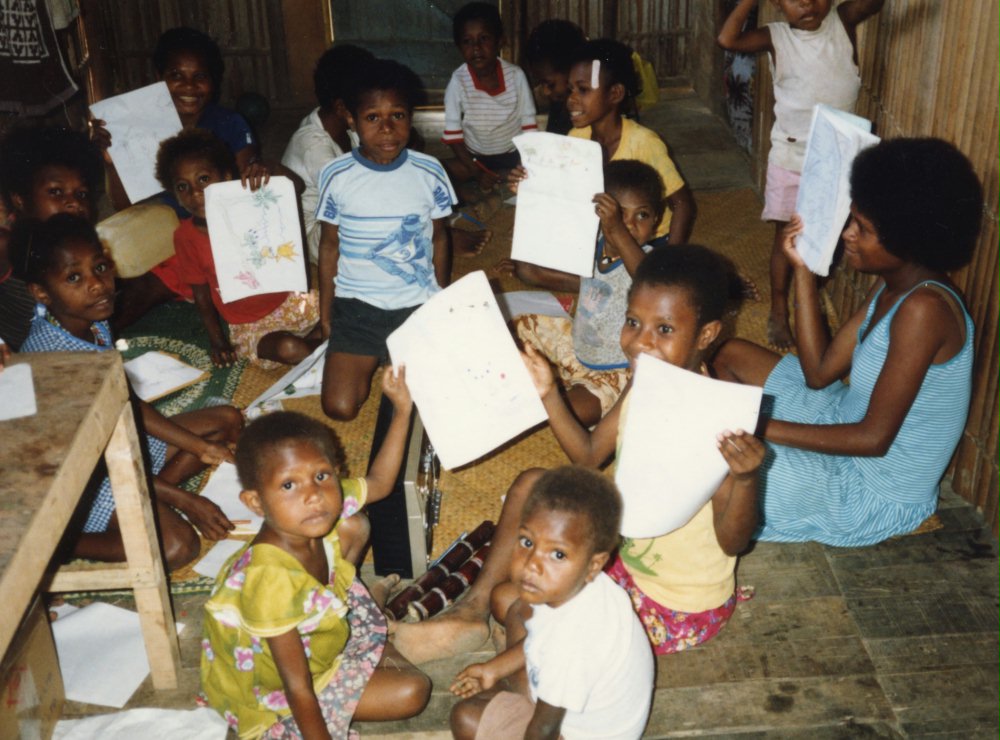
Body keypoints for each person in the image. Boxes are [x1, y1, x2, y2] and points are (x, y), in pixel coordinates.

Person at [392, 246, 764, 662]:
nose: (641, 342)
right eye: (633, 322)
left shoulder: (719, 420)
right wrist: (549, 392)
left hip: (674, 604)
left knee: (516, 606)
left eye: (664, 330)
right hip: (623, 560)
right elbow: (588, 456)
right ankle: (470, 613)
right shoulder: (645, 382)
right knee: (530, 491)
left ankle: (521, 662)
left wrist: (747, 477)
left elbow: (733, 542)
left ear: (707, 335)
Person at [712, 137, 982, 547]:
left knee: (721, 468)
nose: (848, 235)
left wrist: (756, 428)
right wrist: (803, 270)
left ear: (907, 241)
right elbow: (819, 373)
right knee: (730, 355)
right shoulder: (894, 283)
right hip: (840, 414)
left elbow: (872, 440)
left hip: (870, 486)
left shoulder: (924, 310)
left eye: (864, 228)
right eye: (852, 220)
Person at [11, 214, 243, 570]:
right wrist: (184, 500)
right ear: (41, 292)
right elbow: (100, 466)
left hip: (117, 440)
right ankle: (64, 545)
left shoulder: (91, 319)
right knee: (179, 546)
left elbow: (126, 402)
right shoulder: (55, 361)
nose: (98, 285)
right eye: (75, 277)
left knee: (227, 421)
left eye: (100, 267)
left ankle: (149, 493)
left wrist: (201, 447)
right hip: (79, 482)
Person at [200, 404, 431, 738]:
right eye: (288, 486)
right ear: (255, 502)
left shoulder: (319, 503)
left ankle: (382, 643)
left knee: (352, 524)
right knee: (412, 691)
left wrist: (401, 412)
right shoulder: (270, 581)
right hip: (272, 694)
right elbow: (297, 687)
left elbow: (379, 483)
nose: (313, 496)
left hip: (313, 638)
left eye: (321, 476)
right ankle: (388, 642)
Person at [717, 0, 885, 350]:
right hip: (791, 156)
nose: (807, 3)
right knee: (787, 235)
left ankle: (808, 302)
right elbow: (728, 39)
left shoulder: (841, 21)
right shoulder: (775, 37)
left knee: (830, 235)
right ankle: (779, 308)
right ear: (777, 5)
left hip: (838, 156)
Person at [449, 466, 653, 740]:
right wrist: (492, 669)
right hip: (588, 708)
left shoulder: (570, 646)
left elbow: (544, 730)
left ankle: (518, 692)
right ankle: (516, 686)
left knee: (465, 718)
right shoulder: (589, 588)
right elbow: (543, 637)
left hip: (568, 732)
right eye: (527, 541)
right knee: (515, 608)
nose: (533, 564)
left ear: (594, 564)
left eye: (557, 554)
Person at [91, 26, 275, 329]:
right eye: (176, 75)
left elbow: (246, 198)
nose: (189, 86)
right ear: (160, 80)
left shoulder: (230, 123)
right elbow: (126, 207)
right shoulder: (139, 128)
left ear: (213, 82)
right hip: (166, 231)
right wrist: (112, 161)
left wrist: (256, 169)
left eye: (200, 76)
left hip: (214, 233)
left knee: (150, 286)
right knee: (113, 273)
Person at [315, 58, 456, 421]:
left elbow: (441, 237)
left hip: (415, 307)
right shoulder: (337, 175)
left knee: (435, 406)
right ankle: (373, 356)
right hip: (357, 308)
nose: (388, 129)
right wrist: (327, 316)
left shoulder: (430, 171)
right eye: (373, 118)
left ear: (411, 117)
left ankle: (397, 355)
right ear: (351, 119)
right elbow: (329, 246)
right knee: (340, 407)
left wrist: (438, 298)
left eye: (398, 115)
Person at [513, 160, 666, 426]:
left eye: (641, 215)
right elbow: (528, 271)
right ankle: (555, 381)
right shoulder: (590, 244)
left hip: (614, 371)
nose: (628, 224)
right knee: (503, 326)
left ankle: (561, 390)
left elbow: (648, 284)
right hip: (577, 347)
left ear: (656, 221)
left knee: (565, 416)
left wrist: (616, 228)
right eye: (619, 214)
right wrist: (528, 200)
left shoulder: (650, 263)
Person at [155, 129, 322, 370]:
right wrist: (218, 342)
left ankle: (320, 344)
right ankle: (324, 345)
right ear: (174, 194)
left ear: (225, 176)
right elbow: (201, 294)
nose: (195, 193)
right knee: (289, 348)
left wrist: (271, 168)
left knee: (346, 303)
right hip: (251, 326)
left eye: (203, 179)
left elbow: (296, 186)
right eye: (182, 187)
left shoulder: (250, 204)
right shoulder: (185, 236)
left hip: (291, 301)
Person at [564, 39, 696, 245]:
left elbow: (682, 204)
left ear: (615, 93)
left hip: (647, 239)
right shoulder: (575, 137)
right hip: (605, 232)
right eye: (570, 89)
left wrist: (671, 258)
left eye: (583, 90)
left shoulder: (644, 142)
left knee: (630, 272)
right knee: (529, 267)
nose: (571, 99)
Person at [0, 126, 103, 350]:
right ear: (20, 199)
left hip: (79, 342)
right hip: (28, 359)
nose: (74, 202)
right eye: (56, 192)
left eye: (81, 194)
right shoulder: (7, 244)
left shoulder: (78, 239)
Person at [281, 44, 375, 266]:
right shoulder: (313, 144)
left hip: (333, 218)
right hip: (312, 235)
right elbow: (352, 200)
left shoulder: (341, 126)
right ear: (343, 108)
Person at [442, 2, 537, 194]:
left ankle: (501, 177)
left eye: (484, 38)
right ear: (459, 46)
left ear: (500, 41)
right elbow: (453, 136)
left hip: (513, 155)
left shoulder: (516, 75)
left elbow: (529, 125)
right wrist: (475, 170)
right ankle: (489, 178)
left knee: (534, 173)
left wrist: (522, 163)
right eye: (467, 41)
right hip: (475, 158)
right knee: (440, 170)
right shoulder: (458, 81)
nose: (476, 48)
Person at [522, 19, 587, 136]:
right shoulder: (559, 104)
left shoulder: (588, 108)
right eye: (541, 83)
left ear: (571, 70)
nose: (545, 91)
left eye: (550, 84)